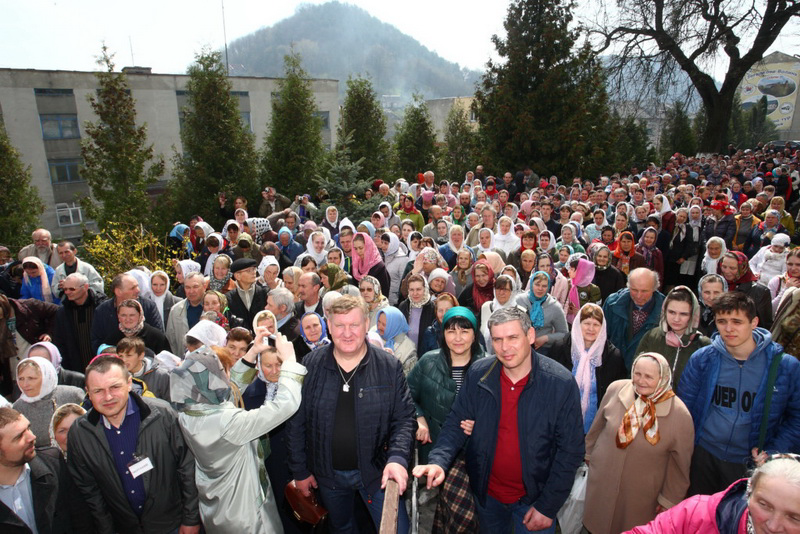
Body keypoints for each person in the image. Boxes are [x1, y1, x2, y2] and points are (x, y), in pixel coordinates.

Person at [413, 306, 584, 534]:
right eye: (497, 339)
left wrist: (548, 506)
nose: (505, 348)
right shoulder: (479, 373)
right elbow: (456, 421)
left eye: (513, 337)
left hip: (534, 500)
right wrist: (438, 461)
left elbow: (570, 450)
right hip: (488, 498)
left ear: (530, 336)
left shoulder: (559, 383)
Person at [286, 295, 415, 534]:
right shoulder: (311, 366)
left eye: (354, 325)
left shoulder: (389, 366)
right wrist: (300, 471)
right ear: (329, 325)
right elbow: (297, 422)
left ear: (366, 324)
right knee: (341, 528)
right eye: (340, 325)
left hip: (378, 473)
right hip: (328, 476)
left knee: (396, 529)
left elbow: (404, 419)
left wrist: (397, 458)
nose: (347, 333)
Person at [171, 323, 305, 534]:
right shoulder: (227, 422)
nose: (228, 375)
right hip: (247, 515)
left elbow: (228, 391)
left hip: (217, 508)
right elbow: (284, 406)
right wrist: (289, 362)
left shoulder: (188, 412)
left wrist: (253, 352)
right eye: (224, 371)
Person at [678, 292, 800, 496]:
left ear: (754, 322)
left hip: (749, 463)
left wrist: (774, 451)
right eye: (722, 321)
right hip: (703, 456)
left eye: (737, 321)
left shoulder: (784, 367)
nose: (728, 328)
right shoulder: (703, 359)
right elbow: (684, 408)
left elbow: (796, 418)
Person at [67, 355, 200, 534]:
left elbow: (188, 468)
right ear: (88, 392)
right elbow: (88, 490)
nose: (108, 397)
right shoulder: (80, 432)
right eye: (98, 391)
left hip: (171, 525)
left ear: (129, 383)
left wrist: (191, 519)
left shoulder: (162, 415)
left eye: (115, 387)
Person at [583, 353, 695, 534]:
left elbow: (680, 466)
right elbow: (596, 428)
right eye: (637, 374)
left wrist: (668, 500)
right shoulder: (616, 389)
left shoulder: (679, 415)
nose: (641, 381)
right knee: (596, 525)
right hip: (603, 481)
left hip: (641, 495)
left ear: (663, 378)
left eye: (649, 377)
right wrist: (590, 455)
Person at [625, 453, 800, 534]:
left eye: (794, 517)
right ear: (749, 492)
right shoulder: (699, 514)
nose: (774, 526)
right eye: (764, 505)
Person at [549, 303, 626, 433]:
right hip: (560, 421)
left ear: (602, 328)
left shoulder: (613, 356)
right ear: (578, 324)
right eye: (586, 323)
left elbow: (617, 395)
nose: (591, 328)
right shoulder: (561, 348)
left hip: (594, 425)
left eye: (596, 324)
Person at [0, 407, 74, 534]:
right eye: (19, 437)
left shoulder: (53, 463)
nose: (32, 437)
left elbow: (81, 518)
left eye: (28, 428)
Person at [635, 286, 711, 387]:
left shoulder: (703, 344)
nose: (676, 319)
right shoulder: (652, 336)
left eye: (683, 314)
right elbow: (636, 371)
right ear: (664, 311)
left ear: (692, 315)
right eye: (671, 312)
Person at [12, 357, 83, 448]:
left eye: (31, 378)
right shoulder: (18, 407)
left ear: (46, 376)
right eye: (21, 379)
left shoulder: (73, 394)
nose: (25, 384)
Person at [604, 268, 666, 371]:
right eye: (634, 290)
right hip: (612, 368)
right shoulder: (612, 303)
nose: (639, 295)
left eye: (644, 291)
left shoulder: (666, 310)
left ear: (655, 288)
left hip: (645, 372)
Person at [90, 273, 163, 353]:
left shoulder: (149, 306)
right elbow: (96, 341)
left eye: (137, 286)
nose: (138, 290)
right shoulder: (102, 311)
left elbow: (158, 336)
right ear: (118, 292)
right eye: (133, 288)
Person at [515, 271, 568, 356]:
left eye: (544, 286)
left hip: (542, 350)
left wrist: (546, 338)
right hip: (519, 347)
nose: (540, 289)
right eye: (537, 284)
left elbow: (564, 333)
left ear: (548, 287)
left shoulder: (554, 306)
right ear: (531, 284)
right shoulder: (519, 300)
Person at [717, 250, 774, 330]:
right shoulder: (718, 286)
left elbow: (764, 325)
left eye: (732, 268)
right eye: (724, 267)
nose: (727, 271)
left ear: (742, 268)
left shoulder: (760, 292)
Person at [105, 299, 172, 355]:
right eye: (123, 315)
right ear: (118, 317)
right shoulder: (112, 338)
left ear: (140, 315)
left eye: (132, 315)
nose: (128, 319)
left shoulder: (156, 337)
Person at [225, 258, 268, 333]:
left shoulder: (264, 293)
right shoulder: (228, 298)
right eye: (248, 271)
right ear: (237, 276)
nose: (253, 272)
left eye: (254, 269)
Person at [375, 307, 417, 375]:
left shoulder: (409, 349)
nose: (379, 327)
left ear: (394, 326)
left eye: (384, 325)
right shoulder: (374, 334)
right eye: (378, 322)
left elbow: (408, 378)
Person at [398, 274, 436, 348]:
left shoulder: (432, 308)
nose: (415, 293)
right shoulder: (403, 306)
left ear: (425, 289)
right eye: (412, 290)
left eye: (418, 289)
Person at [351, 232, 391, 297]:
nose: (358, 251)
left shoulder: (379, 267)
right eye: (355, 248)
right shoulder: (354, 267)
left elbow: (384, 292)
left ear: (368, 247)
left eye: (361, 248)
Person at [769, 247, 800, 314]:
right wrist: (786, 289)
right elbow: (770, 310)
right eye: (790, 264)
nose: (793, 268)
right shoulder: (777, 281)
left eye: (798, 265)